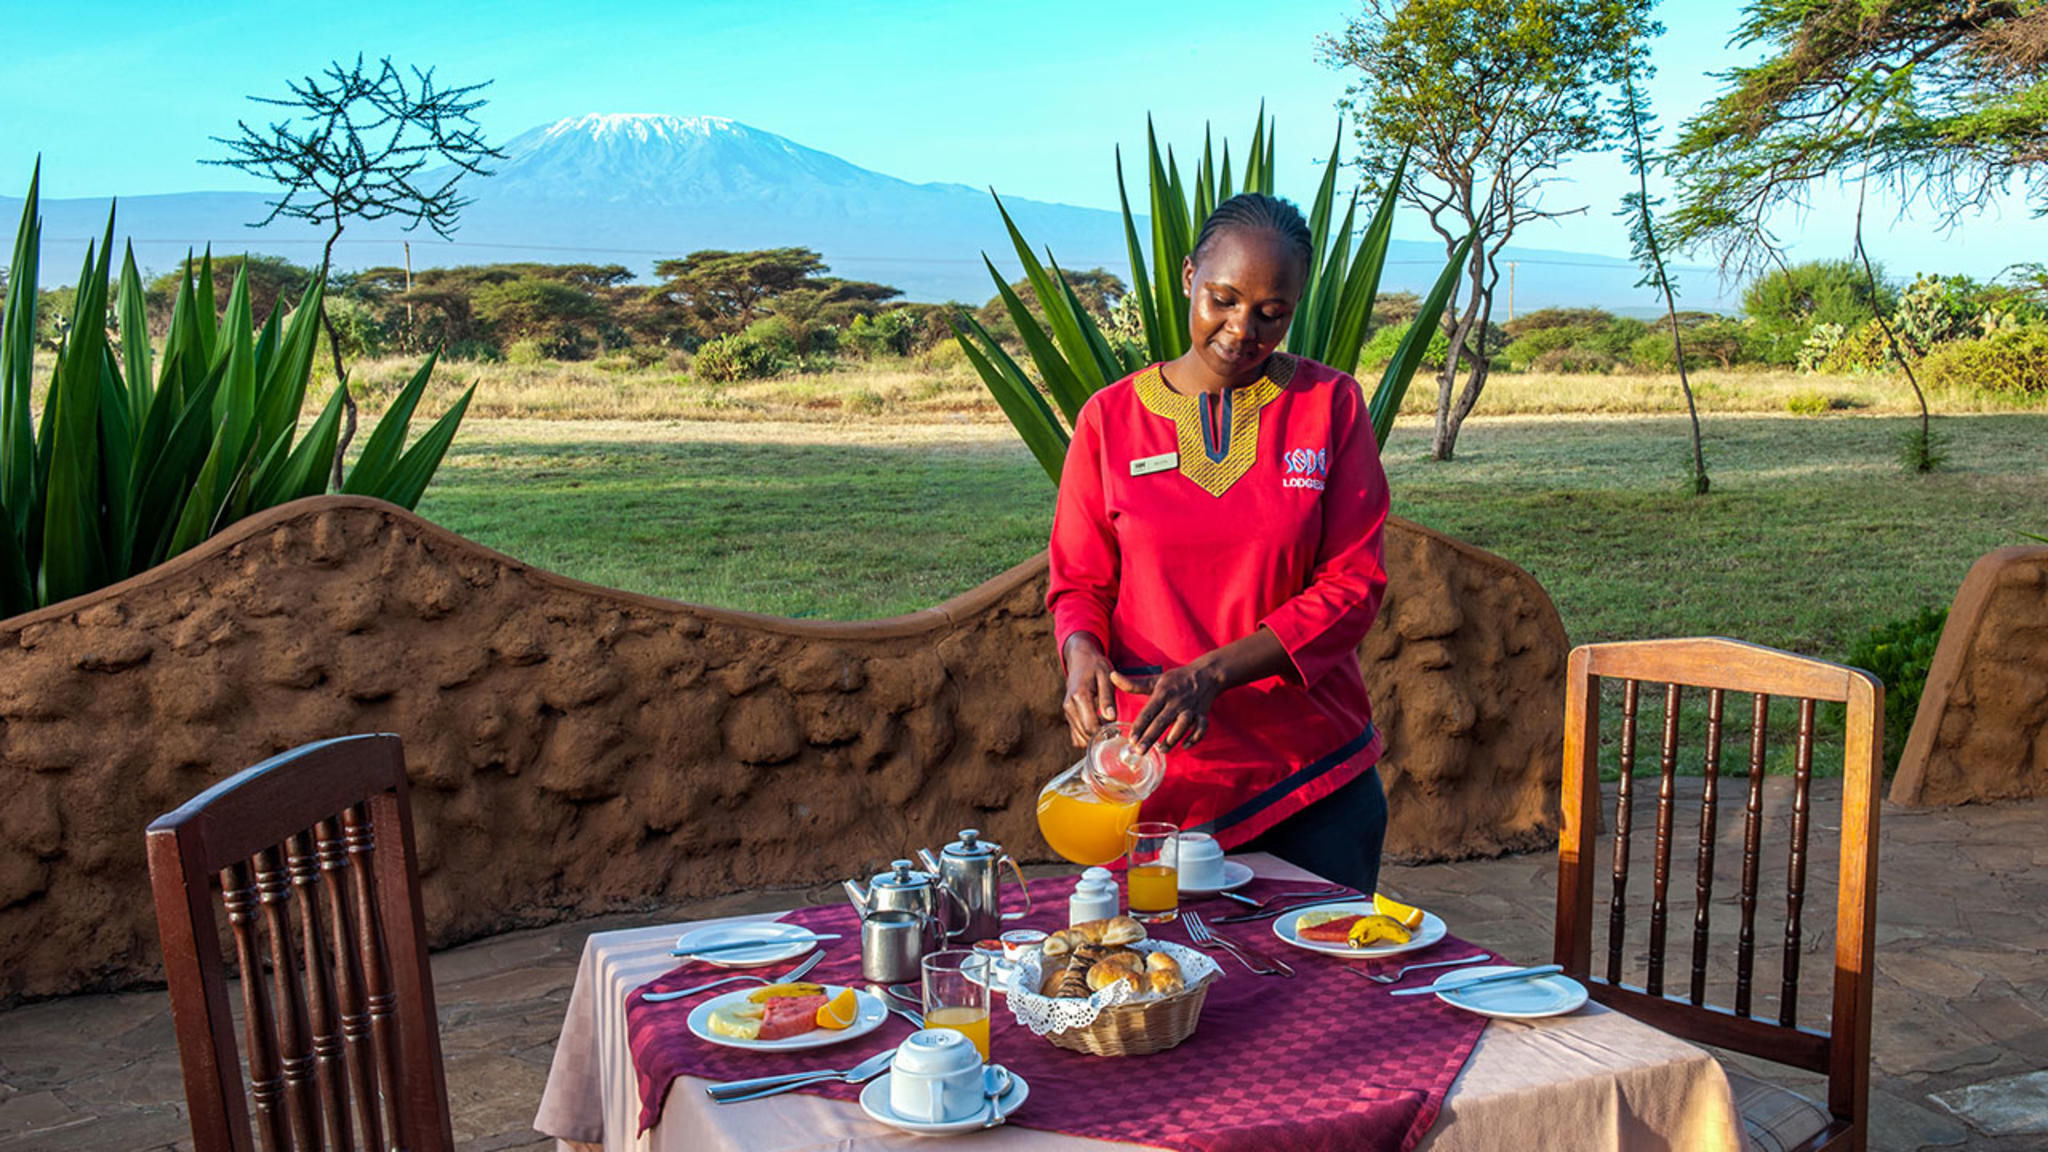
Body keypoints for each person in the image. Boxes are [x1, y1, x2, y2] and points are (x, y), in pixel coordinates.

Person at [1046, 192, 1391, 896]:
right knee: (1153, 993)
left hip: (1311, 776)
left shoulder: (1331, 407)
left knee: (1322, 997)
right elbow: (1080, 581)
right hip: (1154, 785)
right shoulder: (1109, 420)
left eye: (1272, 313)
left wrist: (1213, 675)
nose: (1242, 330)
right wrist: (1081, 652)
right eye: (1223, 300)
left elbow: (1353, 585)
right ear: (1186, 278)